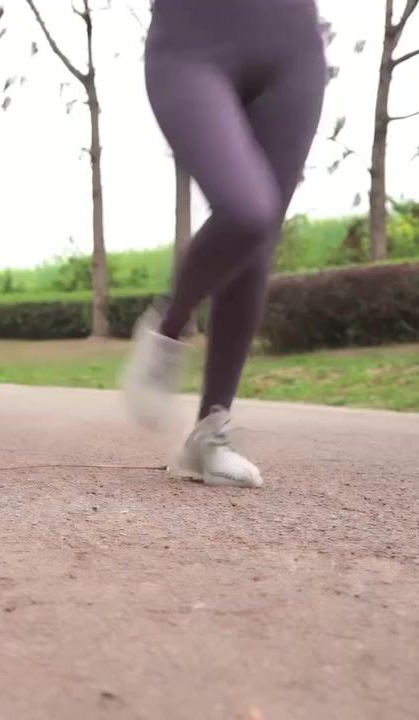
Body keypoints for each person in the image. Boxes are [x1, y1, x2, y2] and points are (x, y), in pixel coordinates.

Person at [121, 0, 327, 488]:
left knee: (259, 241)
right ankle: (169, 328)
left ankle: (211, 431)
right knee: (246, 210)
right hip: (191, 44)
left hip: (293, 51)